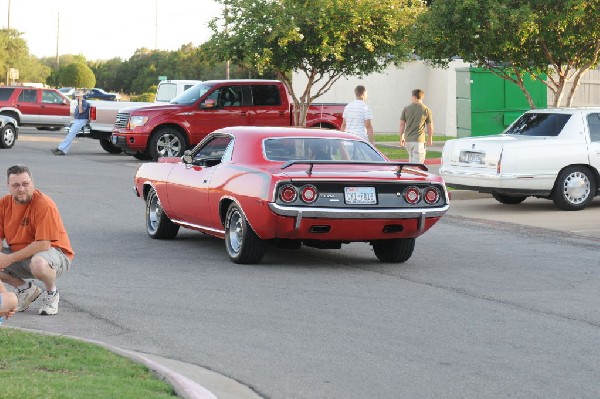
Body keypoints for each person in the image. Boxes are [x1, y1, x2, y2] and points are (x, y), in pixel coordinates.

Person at [0, 165, 74, 315]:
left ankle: (51, 293)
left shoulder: (43, 204)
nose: (21, 189)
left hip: (54, 255)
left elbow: (43, 244)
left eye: (25, 184)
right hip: (21, 255)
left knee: (38, 262)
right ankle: (25, 289)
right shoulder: (4, 204)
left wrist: (8, 259)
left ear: (32, 183)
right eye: (16, 185)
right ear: (8, 187)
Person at [399, 89, 434, 164]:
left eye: (411, 96)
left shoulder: (406, 109)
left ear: (414, 97)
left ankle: (411, 174)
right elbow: (430, 127)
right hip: (419, 141)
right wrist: (430, 137)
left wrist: (401, 136)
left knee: (411, 161)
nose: (411, 98)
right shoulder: (426, 110)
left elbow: (402, 124)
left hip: (408, 140)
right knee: (418, 164)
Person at [52, 90, 90, 155]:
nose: (76, 98)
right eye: (76, 96)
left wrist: (80, 102)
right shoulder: (79, 102)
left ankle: (61, 149)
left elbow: (81, 111)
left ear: (80, 96)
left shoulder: (84, 102)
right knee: (70, 135)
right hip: (78, 120)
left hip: (81, 120)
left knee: (71, 135)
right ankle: (63, 150)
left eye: (77, 96)